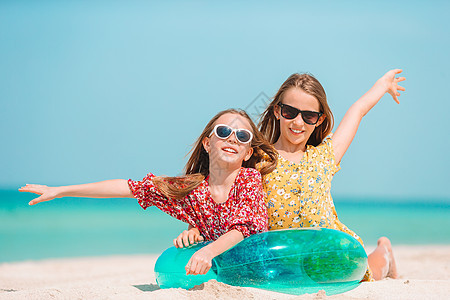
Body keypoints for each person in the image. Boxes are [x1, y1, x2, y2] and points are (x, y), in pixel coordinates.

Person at [174, 70, 405, 281]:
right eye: (290, 112)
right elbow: (217, 189)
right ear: (277, 111)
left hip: (324, 252)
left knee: (371, 272)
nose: (298, 122)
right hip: (278, 260)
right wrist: (193, 227)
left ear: (319, 119)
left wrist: (383, 85)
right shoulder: (257, 159)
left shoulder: (326, 155)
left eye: (309, 116)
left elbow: (358, 111)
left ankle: (385, 249)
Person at [19, 109, 278, 276]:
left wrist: (206, 251)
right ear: (208, 143)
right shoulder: (191, 191)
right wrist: (61, 190)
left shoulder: (248, 178)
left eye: (242, 136)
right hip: (221, 274)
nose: (233, 138)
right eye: (224, 132)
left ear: (247, 153)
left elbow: (246, 227)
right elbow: (126, 187)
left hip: (254, 272)